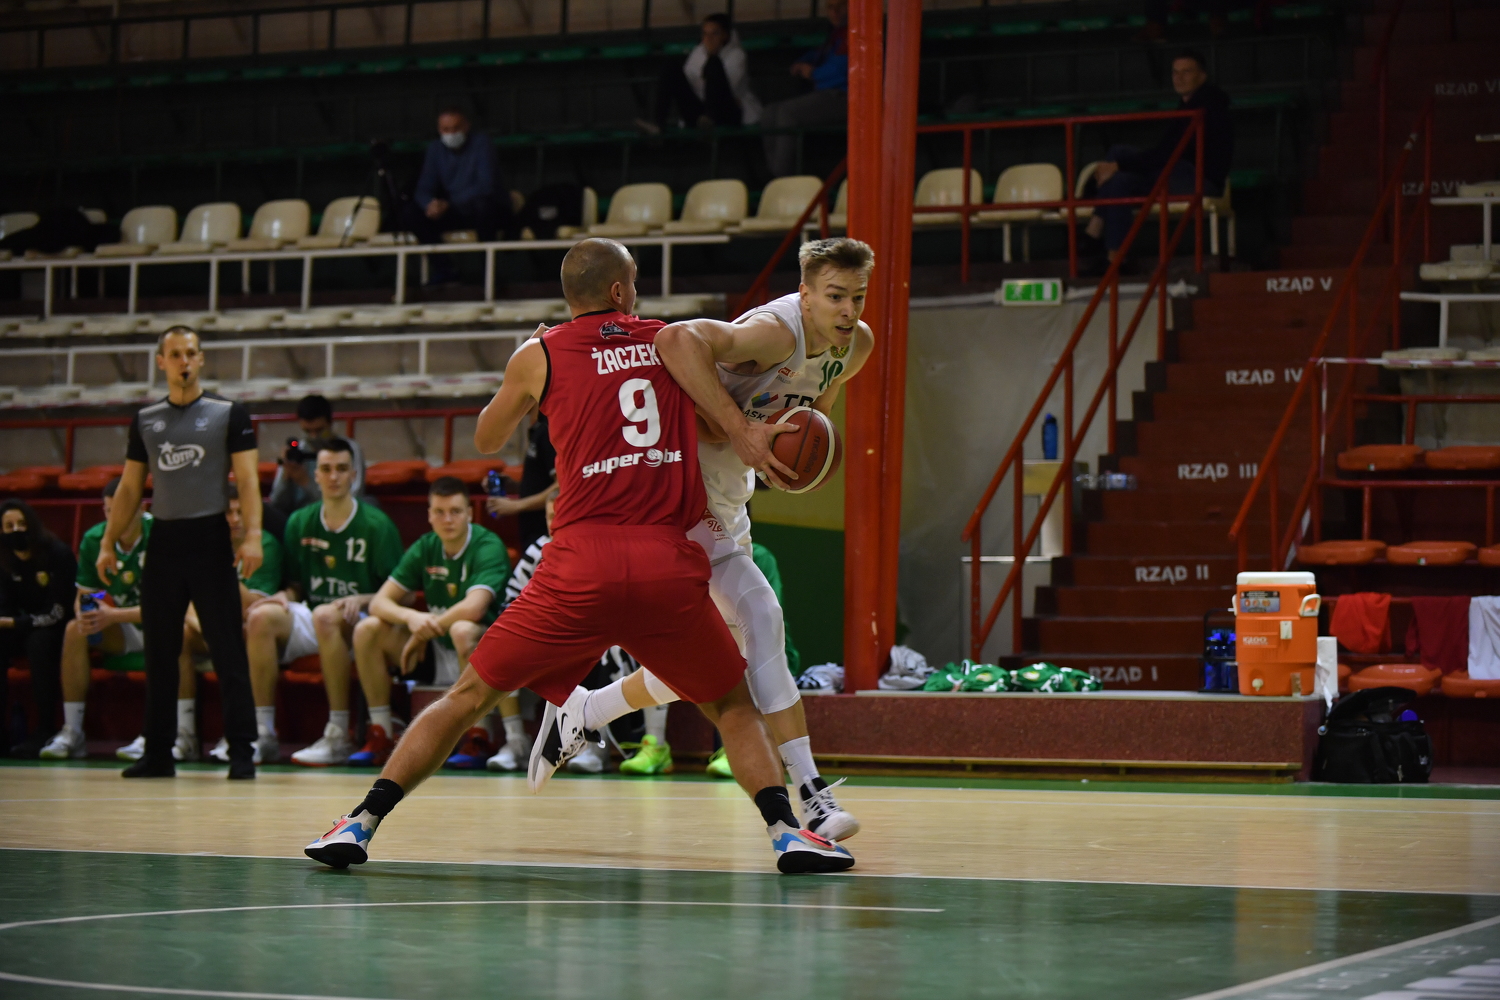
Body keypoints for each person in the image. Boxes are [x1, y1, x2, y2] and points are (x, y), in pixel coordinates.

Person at [304, 238, 854, 875]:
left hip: (578, 565)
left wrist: (529, 378)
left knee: (467, 696)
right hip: (663, 563)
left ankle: (361, 822)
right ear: (620, 291)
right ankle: (788, 833)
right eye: (635, 282)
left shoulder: (540, 354)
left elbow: (487, 437)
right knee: (732, 705)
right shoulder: (669, 344)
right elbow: (712, 417)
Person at [574, 236, 872, 841]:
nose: (848, 310)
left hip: (728, 494)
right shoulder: (774, 333)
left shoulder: (854, 345)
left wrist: (795, 459)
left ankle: (588, 708)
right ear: (805, 294)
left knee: (724, 658)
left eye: (858, 297)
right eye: (835, 296)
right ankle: (813, 795)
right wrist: (738, 429)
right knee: (762, 612)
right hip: (678, 486)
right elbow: (675, 340)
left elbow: (812, 415)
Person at [100, 326, 263, 779]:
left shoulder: (228, 413)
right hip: (165, 541)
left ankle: (242, 751)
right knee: (160, 651)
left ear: (201, 358)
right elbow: (130, 487)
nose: (184, 361)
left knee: (227, 647)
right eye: (175, 354)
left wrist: (252, 535)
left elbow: (248, 480)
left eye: (190, 353)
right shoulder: (146, 419)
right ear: (161, 362)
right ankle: (158, 753)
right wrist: (108, 541)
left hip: (210, 538)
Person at [349, 476, 510, 767]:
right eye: (439, 512)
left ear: (469, 513)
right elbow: (378, 603)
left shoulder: (487, 545)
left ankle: (480, 736)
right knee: (367, 629)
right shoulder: (426, 546)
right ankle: (381, 731)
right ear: (429, 515)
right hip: (433, 649)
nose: (447, 519)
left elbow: (474, 607)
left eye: (455, 511)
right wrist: (412, 618)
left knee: (462, 630)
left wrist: (422, 633)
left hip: (478, 650)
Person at [264, 439, 404, 767]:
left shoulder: (377, 525)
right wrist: (285, 596)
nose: (334, 476)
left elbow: (404, 592)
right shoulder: (299, 522)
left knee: (326, 616)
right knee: (263, 618)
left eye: (341, 469)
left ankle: (338, 733)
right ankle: (261, 733)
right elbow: (296, 586)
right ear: (315, 475)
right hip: (319, 616)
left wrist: (361, 598)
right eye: (326, 469)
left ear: (354, 475)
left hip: (365, 619)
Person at [38, 478, 167, 761]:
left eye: (122, 509)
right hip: (123, 629)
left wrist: (113, 615)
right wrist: (89, 613)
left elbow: (170, 605)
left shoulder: (161, 534)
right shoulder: (95, 539)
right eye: (109, 511)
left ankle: (157, 734)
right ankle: (73, 732)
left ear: (141, 508)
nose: (115, 517)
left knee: (172, 627)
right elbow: (86, 594)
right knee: (75, 629)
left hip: (164, 627)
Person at [1083, 51, 1232, 268]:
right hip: (1178, 170)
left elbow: (1170, 153)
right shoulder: (1188, 104)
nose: (1179, 78)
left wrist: (1119, 166)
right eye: (1175, 72)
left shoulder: (1208, 106)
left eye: (1187, 72)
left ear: (1202, 75)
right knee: (1118, 152)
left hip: (1198, 178)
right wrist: (1120, 164)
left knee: (1120, 178)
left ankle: (1107, 249)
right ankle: (1098, 234)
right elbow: (1166, 152)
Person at [200, 491, 288, 764]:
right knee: (178, 633)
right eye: (229, 512)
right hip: (213, 626)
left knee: (256, 624)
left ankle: (259, 731)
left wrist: (221, 567)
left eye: (241, 512)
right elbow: (189, 603)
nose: (235, 519)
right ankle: (181, 733)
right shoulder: (205, 544)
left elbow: (252, 606)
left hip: (251, 627)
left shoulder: (265, 545)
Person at [401, 108, 514, 285]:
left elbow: (486, 186)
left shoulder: (482, 143)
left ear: (466, 126)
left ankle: (488, 273)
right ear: (439, 130)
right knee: (411, 213)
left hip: (486, 210)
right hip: (455, 211)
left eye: (456, 128)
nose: (451, 134)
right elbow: (423, 188)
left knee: (484, 206)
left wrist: (448, 204)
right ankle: (445, 269)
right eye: (446, 129)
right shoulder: (435, 148)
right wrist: (430, 204)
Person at [0, 500, 77, 758]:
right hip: (19, 626)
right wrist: (11, 622)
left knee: (39, 642)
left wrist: (15, 623)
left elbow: (58, 612)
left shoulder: (57, 554)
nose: (16, 530)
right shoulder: (3, 559)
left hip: (57, 628)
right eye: (9, 526)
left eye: (21, 524)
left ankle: (45, 729)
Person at [760, 0, 848, 177]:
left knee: (787, 113)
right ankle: (773, 176)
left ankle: (783, 178)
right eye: (830, 7)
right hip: (827, 94)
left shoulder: (856, 34)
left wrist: (813, 73)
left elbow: (840, 69)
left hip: (845, 97)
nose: (835, 12)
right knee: (769, 112)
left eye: (840, 6)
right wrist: (802, 62)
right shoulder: (836, 34)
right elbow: (819, 54)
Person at [640, 13, 762, 133]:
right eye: (705, 34)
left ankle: (709, 121)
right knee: (671, 66)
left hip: (725, 113)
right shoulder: (698, 52)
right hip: (699, 113)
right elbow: (688, 80)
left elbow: (724, 89)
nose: (709, 39)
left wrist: (711, 58)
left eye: (715, 33)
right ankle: (658, 124)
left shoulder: (737, 55)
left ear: (725, 35)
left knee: (713, 63)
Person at [267, 394, 366, 516]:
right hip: (297, 518)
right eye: (307, 431)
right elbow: (276, 504)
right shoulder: (296, 451)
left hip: (335, 516)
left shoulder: (349, 449)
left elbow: (352, 500)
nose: (313, 437)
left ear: (330, 424)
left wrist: (307, 482)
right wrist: (285, 478)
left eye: (319, 430)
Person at [486, 409, 556, 554]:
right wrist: (516, 486)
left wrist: (516, 505)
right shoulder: (537, 428)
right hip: (531, 531)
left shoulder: (549, 429)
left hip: (544, 533)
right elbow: (543, 482)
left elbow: (561, 486)